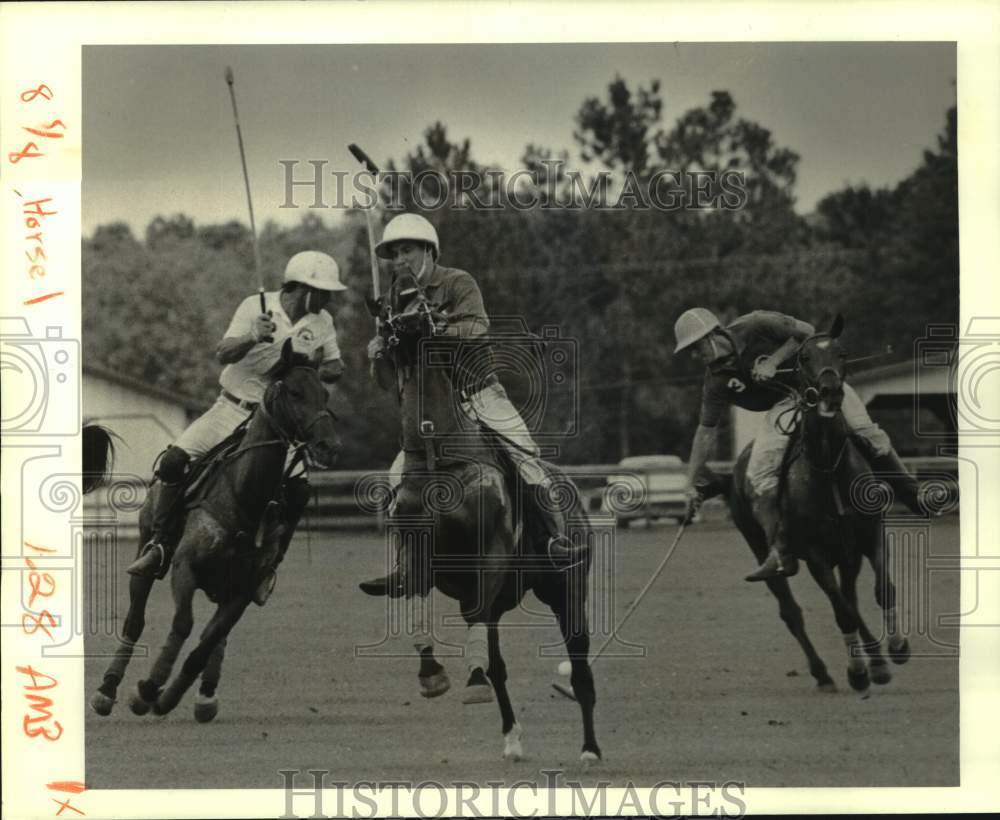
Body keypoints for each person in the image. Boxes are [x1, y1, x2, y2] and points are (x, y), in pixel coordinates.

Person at [359, 213, 572, 598]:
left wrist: (436, 328)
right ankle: (405, 565)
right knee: (396, 482)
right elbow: (388, 382)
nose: (399, 259)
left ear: (428, 250)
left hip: (479, 394)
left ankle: (556, 540)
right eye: (393, 253)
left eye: (406, 249)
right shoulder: (391, 299)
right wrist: (378, 355)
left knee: (527, 458)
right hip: (430, 416)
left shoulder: (458, 281)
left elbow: (478, 327)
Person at [126, 251, 347, 604]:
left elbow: (335, 365)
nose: (327, 299)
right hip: (231, 408)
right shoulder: (255, 307)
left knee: (300, 491)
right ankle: (160, 545)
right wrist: (253, 336)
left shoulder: (322, 322)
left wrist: (312, 372)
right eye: (321, 291)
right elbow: (223, 352)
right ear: (300, 288)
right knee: (172, 464)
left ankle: (269, 565)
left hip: (277, 424)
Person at [675, 307, 930, 582]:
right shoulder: (715, 381)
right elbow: (705, 432)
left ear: (712, 335)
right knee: (758, 473)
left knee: (867, 431)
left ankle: (914, 495)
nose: (693, 355)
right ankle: (781, 553)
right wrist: (690, 483)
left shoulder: (755, 324)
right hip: (783, 406)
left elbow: (807, 332)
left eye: (695, 346)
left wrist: (773, 360)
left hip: (817, 383)